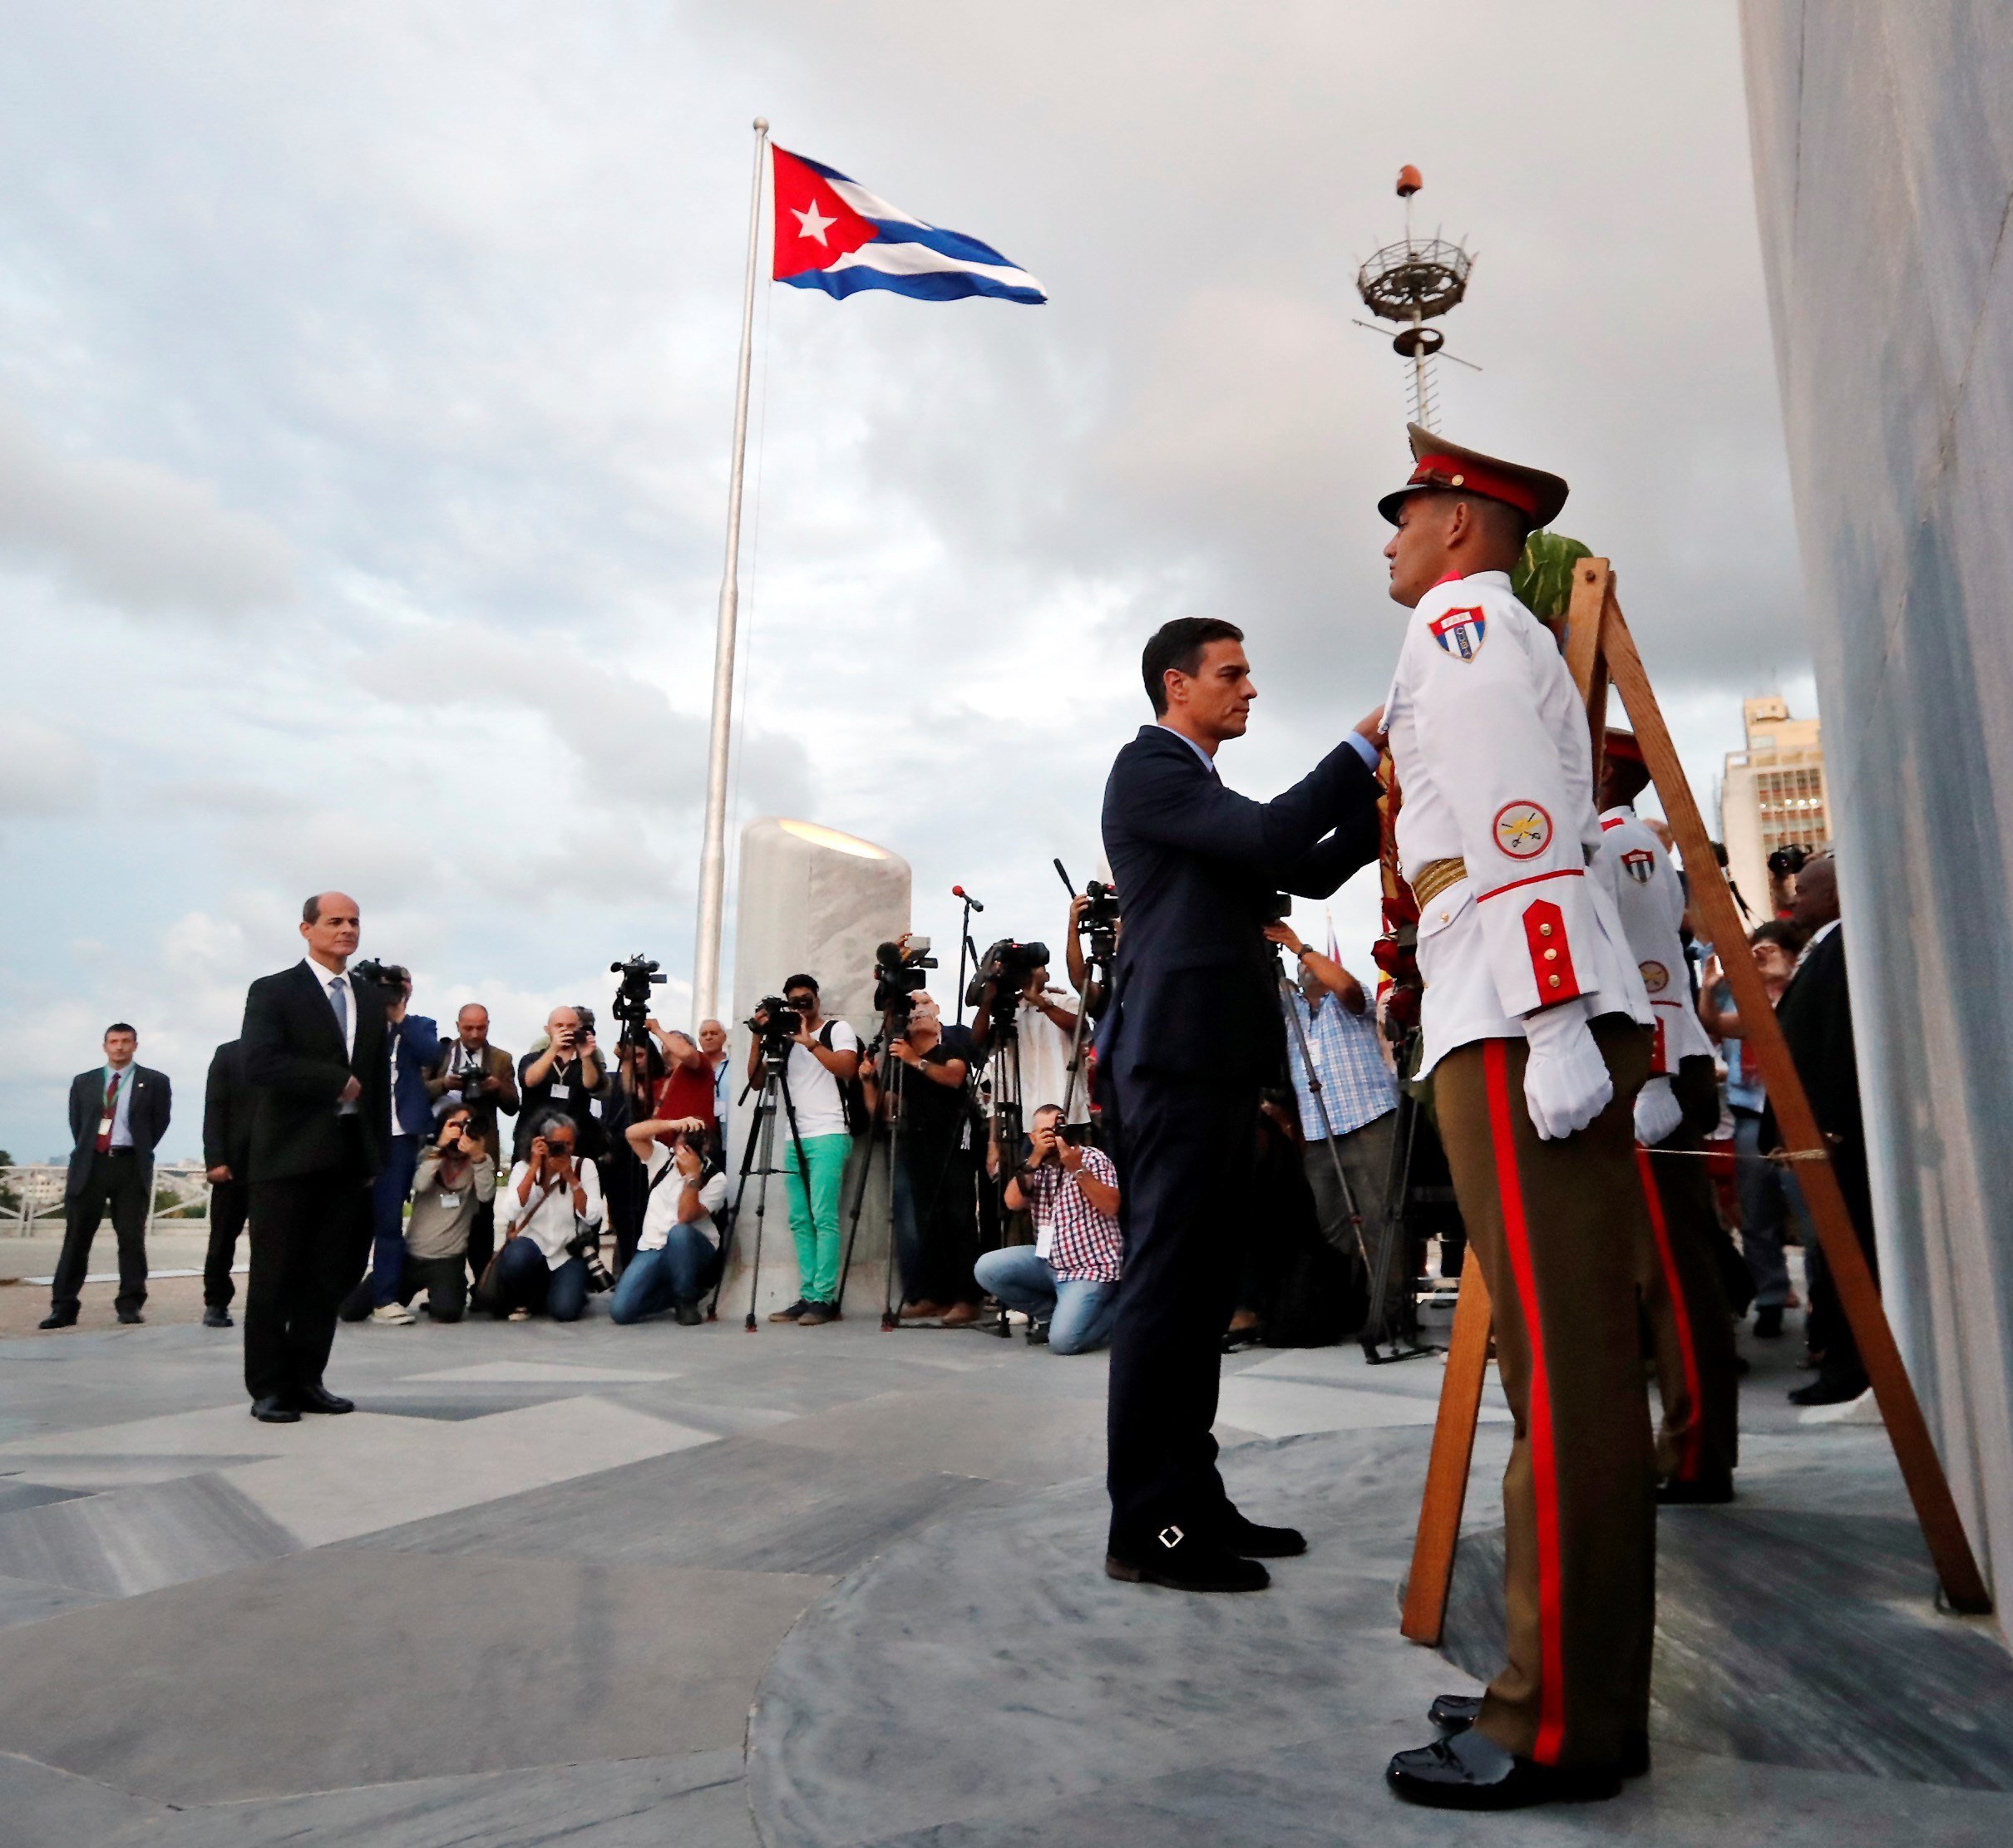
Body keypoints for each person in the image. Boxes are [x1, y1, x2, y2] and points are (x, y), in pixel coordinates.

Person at [1369, 428, 1657, 1811]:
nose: (1394, 536)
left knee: (1568, 1371)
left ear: (1467, 526)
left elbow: (1521, 815)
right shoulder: (1471, 618)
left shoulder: (1463, 616)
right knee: (1553, 1366)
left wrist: (1548, 1013)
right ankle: (1566, 1680)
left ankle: (1558, 1720)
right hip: (1489, 992)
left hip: (1510, 997)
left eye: (1410, 510)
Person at [1098, 614, 1384, 1594]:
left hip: (1215, 1064)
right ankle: (1148, 1529)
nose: (1249, 689)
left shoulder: (1202, 795)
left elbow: (1300, 866)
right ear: (1178, 686)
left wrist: (1384, 803)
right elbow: (1272, 834)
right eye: (1232, 674)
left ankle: (1195, 1501)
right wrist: (1364, 742)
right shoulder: (1151, 772)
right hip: (1173, 1064)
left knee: (1205, 1292)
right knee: (1168, 1291)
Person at [1596, 729, 1739, 1504]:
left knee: (1673, 1278)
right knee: (1658, 1273)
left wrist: (1649, 1078)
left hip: (1646, 1073)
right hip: (1640, 1069)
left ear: (1600, 773)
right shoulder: (1611, 843)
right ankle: (1688, 1442)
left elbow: (1650, 968)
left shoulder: (1623, 847)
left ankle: (1694, 1452)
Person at [239, 893, 391, 1422]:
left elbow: (376, 1083)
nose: (347, 929)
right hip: (286, 1156)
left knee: (327, 1277)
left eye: (354, 921)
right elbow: (259, 1062)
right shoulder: (274, 991)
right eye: (335, 921)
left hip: (348, 1159)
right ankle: (268, 1387)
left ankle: (308, 1379)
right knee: (275, 1276)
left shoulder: (370, 1000)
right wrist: (331, 1081)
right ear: (306, 929)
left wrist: (377, 1156)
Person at [1766, 855, 1875, 1407]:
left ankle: (1849, 1368)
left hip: (1830, 1133)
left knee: (1842, 1250)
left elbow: (1835, 1041)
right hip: (1814, 1132)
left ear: (1833, 896)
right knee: (1828, 1250)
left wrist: (1826, 1123)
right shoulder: (1826, 948)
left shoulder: (1840, 951)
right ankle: (1840, 1358)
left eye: (1804, 891)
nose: (1793, 900)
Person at [1261, 921, 1400, 1329]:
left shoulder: (1349, 1001)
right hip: (1320, 1135)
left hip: (1370, 1120)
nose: (1307, 971)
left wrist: (1296, 945)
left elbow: (1347, 988)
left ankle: (1389, 1315)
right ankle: (1358, 1302)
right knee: (1334, 1226)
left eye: (1314, 965)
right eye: (1303, 967)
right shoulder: (1293, 1012)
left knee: (1380, 1221)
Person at [1699, 923, 1802, 1336]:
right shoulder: (1741, 994)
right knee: (1756, 1214)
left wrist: (1783, 976)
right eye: (1753, 951)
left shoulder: (1799, 993)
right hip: (1749, 1114)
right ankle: (1772, 1297)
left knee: (1811, 1217)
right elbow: (1717, 1024)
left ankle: (1824, 1310)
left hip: (1792, 1117)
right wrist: (1710, 987)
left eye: (1768, 951)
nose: (1758, 959)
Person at [42, 1023, 172, 1329]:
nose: (119, 1047)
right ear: (105, 1046)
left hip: (129, 1165)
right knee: (76, 1238)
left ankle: (130, 1304)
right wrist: (95, 1147)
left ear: (135, 1045)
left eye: (126, 1041)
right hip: (91, 1165)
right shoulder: (84, 1082)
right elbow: (78, 1123)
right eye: (114, 1042)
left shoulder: (154, 1081)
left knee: (131, 1238)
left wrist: (134, 1148)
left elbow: (159, 1123)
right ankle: (63, 1307)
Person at [747, 975, 860, 1327]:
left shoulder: (836, 1029)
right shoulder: (781, 1039)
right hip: (794, 1136)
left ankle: (825, 1299)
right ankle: (809, 1294)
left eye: (805, 1001)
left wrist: (809, 1042)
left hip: (829, 1133)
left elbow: (848, 1068)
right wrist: (758, 1034)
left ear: (817, 999)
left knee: (824, 1217)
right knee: (800, 1220)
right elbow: (754, 1082)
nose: (800, 1008)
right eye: (793, 1002)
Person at [861, 995, 980, 1325]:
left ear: (938, 1010)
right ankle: (934, 1295)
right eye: (912, 1008)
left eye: (925, 1003)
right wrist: (870, 1082)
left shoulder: (951, 1042)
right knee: (928, 1217)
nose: (918, 1011)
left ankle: (967, 1298)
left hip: (956, 1140)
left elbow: (955, 1077)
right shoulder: (901, 1056)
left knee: (958, 1216)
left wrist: (916, 1061)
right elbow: (884, 1110)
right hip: (918, 1140)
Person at [976, 1104, 1122, 1352]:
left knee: (1064, 1342)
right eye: (1044, 1133)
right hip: (1049, 1261)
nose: (1052, 1138)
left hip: (1089, 1269)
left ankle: (1121, 1315)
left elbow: (1111, 1205)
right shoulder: (1034, 1166)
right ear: (1033, 1138)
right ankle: (1050, 1314)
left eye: (1057, 1129)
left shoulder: (1091, 1158)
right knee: (987, 1269)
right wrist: (1034, 1158)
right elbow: (1011, 1202)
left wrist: (1077, 1168)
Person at [342, 1106, 494, 1323]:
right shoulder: (429, 1154)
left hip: (447, 1260)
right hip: (409, 1257)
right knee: (351, 1311)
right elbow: (420, 1184)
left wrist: (478, 1157)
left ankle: (442, 1292)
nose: (463, 1131)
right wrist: (440, 1147)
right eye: (457, 1125)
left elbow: (486, 1196)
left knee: (447, 1313)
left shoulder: (480, 1162)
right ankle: (403, 1296)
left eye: (468, 1124)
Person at [356, 967, 439, 1325]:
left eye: (402, 987)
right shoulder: (356, 1025)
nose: (394, 993)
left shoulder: (418, 1024)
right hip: (359, 1132)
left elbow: (432, 1054)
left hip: (400, 1135)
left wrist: (399, 1016)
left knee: (389, 1220)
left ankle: (386, 1298)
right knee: (345, 1219)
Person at [426, 1003, 519, 1289]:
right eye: (468, 1028)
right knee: (440, 1215)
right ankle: (441, 1283)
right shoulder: (439, 1054)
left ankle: (482, 1285)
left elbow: (514, 1105)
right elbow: (418, 1092)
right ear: (457, 1026)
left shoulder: (501, 1059)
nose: (475, 1033)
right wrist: (445, 1083)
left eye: (481, 1027)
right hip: (444, 1146)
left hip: (481, 1146)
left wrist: (495, 1087)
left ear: (489, 1025)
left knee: (482, 1218)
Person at [609, 1116, 724, 1325]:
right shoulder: (662, 1158)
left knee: (678, 1232)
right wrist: (672, 1124)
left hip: (693, 1249)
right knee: (620, 1311)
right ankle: (675, 1294)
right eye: (684, 1138)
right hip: (653, 1247)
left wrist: (692, 1177)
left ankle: (685, 1300)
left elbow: (685, 1217)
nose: (686, 1145)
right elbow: (631, 1134)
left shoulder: (715, 1178)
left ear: (706, 1146)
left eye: (695, 1141)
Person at [487, 1111, 602, 1320]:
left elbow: (592, 1216)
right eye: (558, 1144)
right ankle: (524, 1297)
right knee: (517, 1259)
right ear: (543, 1142)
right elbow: (510, 1211)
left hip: (565, 1250)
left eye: (569, 1144)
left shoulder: (585, 1167)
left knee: (565, 1311)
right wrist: (534, 1168)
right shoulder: (523, 1167)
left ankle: (559, 1292)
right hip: (530, 1246)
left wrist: (571, 1178)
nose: (564, 1150)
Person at [971, 948, 1090, 1127]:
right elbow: (979, 1040)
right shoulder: (1012, 1010)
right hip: (1027, 1116)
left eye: (1036, 967)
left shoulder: (1063, 1002)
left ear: (1048, 976)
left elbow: (1080, 1027)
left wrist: (1041, 1002)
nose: (1028, 971)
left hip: (1068, 1112)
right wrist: (987, 1001)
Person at [200, 1038, 255, 1328]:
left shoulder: (289, 1054)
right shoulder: (228, 1054)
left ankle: (268, 1304)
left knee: (275, 1244)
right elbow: (215, 1108)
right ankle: (216, 1302)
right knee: (221, 1239)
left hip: (275, 1166)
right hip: (232, 1167)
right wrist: (215, 1160)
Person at [516, 1005, 606, 1161]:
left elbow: (592, 1086)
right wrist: (553, 1049)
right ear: (547, 1030)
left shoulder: (587, 1062)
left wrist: (586, 1056)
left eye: (571, 1026)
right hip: (534, 1140)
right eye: (559, 1026)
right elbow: (529, 1081)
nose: (565, 1030)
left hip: (576, 1143)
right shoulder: (531, 1059)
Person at [698, 1018, 733, 1136]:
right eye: (704, 1034)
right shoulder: (693, 1067)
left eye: (714, 1033)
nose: (708, 1037)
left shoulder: (735, 1065)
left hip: (730, 1131)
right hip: (701, 1130)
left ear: (724, 1037)